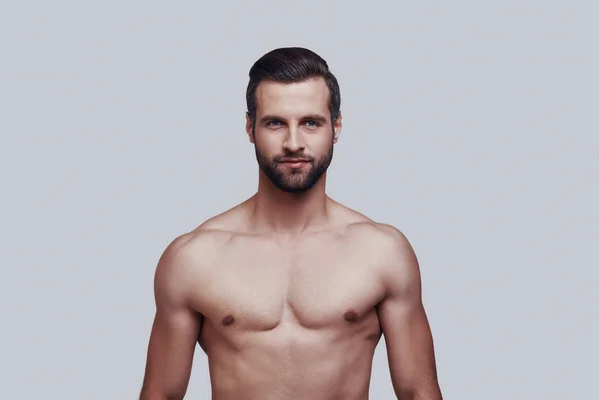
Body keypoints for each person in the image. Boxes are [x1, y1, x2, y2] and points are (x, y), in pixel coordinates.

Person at [139, 47, 442, 400]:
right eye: (275, 123)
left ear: (337, 127)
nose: (294, 143)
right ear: (250, 128)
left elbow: (419, 392)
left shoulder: (382, 253)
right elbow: (159, 394)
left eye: (310, 122)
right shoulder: (193, 257)